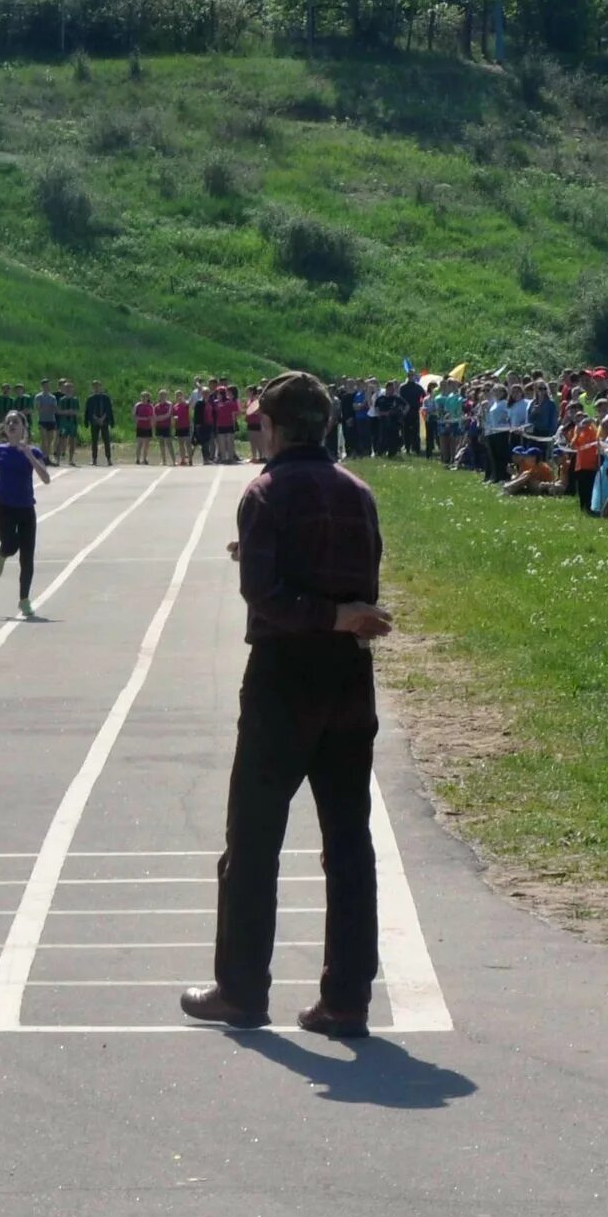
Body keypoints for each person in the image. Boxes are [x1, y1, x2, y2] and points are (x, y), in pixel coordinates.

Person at [184, 372, 387, 1042]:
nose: (251, 435)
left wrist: (319, 609)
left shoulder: (265, 492)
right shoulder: (359, 493)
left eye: (255, 424)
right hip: (349, 679)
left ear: (276, 426)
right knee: (349, 843)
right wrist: (337, 613)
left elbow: (268, 600)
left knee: (253, 840)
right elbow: (356, 579)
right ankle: (347, 999)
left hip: (283, 678)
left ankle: (241, 989)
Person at [0, 414, 54, 619]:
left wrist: (29, 455)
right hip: (4, 508)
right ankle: (2, 554)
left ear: (23, 428)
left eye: (16, 422)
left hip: (26, 508)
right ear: (5, 428)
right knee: (10, 545)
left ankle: (24, 600)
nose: (11, 425)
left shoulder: (33, 451)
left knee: (27, 557)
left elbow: (45, 479)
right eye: (8, 422)